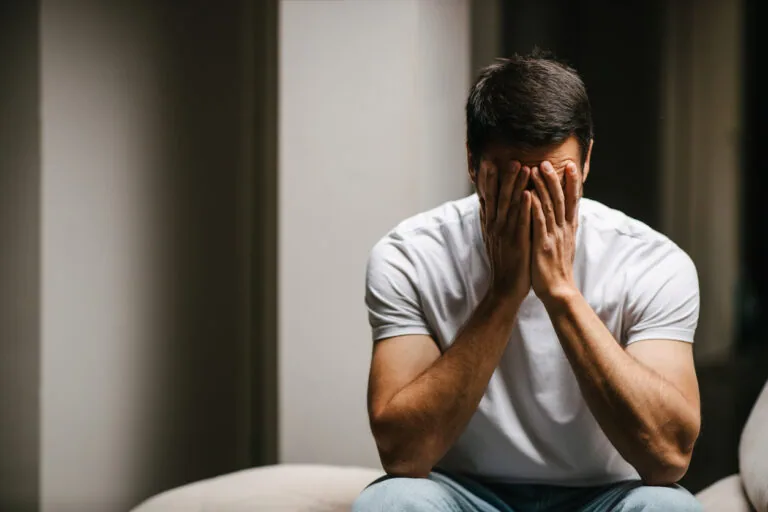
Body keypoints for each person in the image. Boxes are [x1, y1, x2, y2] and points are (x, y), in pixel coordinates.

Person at [353, 52, 703, 511]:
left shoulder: (651, 262)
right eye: (513, 182)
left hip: (600, 496)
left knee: (669, 507)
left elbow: (668, 458)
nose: (534, 204)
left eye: (556, 182)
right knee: (391, 501)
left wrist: (561, 293)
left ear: (588, 160)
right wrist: (503, 295)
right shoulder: (410, 256)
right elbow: (403, 455)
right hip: (464, 493)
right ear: (472, 162)